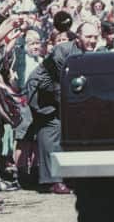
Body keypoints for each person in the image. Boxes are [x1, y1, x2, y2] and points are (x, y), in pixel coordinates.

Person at [25, 21, 100, 194]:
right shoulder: (63, 50)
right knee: (51, 129)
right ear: (78, 37)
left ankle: (66, 176)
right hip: (42, 92)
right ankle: (52, 181)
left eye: (95, 37)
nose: (93, 40)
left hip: (59, 93)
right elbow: (55, 81)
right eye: (88, 36)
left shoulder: (87, 53)